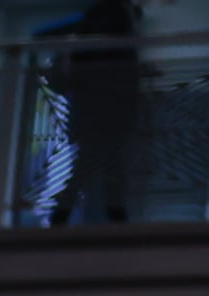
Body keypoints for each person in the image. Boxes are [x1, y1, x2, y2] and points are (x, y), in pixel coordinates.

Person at [53, 0, 141, 228]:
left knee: (91, 169)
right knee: (106, 170)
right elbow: (128, 81)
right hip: (110, 115)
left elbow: (66, 81)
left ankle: (61, 217)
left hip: (92, 114)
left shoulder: (84, 42)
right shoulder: (119, 43)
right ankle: (116, 220)